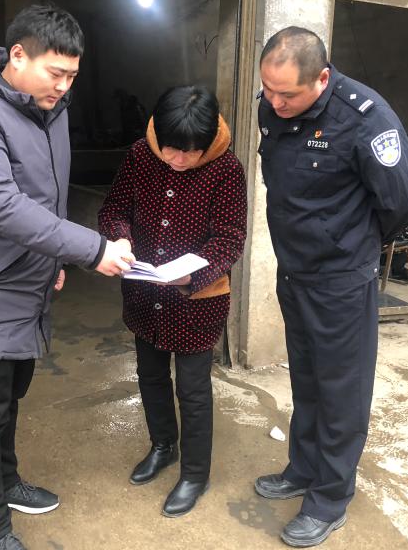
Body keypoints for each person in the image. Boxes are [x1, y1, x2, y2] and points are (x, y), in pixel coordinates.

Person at [0, 4, 134, 550]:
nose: (64, 87)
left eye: (72, 76)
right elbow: (1, 205)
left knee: (11, 394)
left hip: (25, 279)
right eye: (55, 73)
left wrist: (53, 262)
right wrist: (91, 250)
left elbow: (48, 197)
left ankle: (6, 481)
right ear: (18, 55)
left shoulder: (50, 108)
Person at [252, 27, 408, 547]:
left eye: (287, 94)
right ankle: (303, 469)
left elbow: (401, 204)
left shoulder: (366, 119)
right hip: (294, 270)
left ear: (322, 79)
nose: (274, 103)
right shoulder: (272, 108)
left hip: (342, 280)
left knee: (341, 391)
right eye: (268, 90)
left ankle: (329, 498)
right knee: (307, 379)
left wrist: (349, 246)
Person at [99, 85, 247, 518]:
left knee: (193, 390)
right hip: (145, 290)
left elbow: (230, 239)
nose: (178, 160)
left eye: (190, 152)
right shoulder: (139, 155)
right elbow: (113, 210)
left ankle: (195, 474)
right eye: (170, 149)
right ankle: (163, 445)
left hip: (197, 300)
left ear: (207, 144)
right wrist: (120, 237)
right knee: (150, 375)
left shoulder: (226, 169)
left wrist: (193, 273)